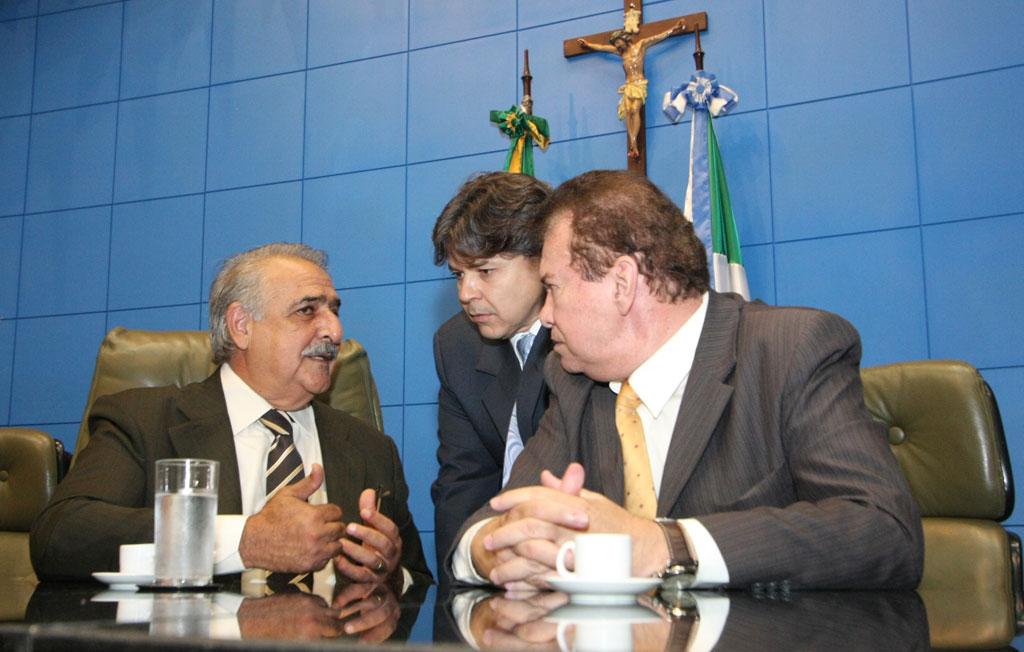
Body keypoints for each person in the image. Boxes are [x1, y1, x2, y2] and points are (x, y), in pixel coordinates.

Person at [449, 170, 923, 590]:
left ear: (622, 283)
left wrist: (664, 545)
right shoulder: (573, 380)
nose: (547, 315)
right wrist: (495, 552)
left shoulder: (790, 352)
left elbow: (884, 530)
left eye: (553, 289)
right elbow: (488, 523)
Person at [31, 243, 432, 588]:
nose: (335, 331)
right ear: (241, 326)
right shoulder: (144, 421)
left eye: (334, 311)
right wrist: (244, 539)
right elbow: (61, 536)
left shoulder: (371, 448)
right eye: (307, 311)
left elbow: (418, 581)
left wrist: (390, 572)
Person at [430, 172, 553, 579]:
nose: (466, 293)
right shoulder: (457, 345)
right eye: (458, 275)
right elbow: (462, 483)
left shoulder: (585, 333)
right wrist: (470, 571)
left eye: (484, 271)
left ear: (543, 260)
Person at [576, 19, 685, 160]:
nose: (616, 45)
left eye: (617, 42)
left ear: (624, 38)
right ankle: (633, 142)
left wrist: (674, 28)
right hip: (629, 85)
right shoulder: (620, 53)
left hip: (639, 84)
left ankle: (634, 142)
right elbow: (602, 48)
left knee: (635, 109)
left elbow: (658, 37)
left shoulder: (641, 45)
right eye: (615, 44)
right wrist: (588, 45)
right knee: (628, 111)